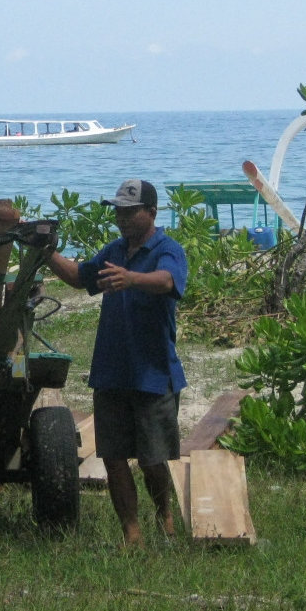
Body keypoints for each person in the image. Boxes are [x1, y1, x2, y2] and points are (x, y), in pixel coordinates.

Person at [46, 179, 187, 545]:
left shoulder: (168, 249)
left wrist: (131, 278)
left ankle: (165, 518)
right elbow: (79, 277)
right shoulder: (114, 250)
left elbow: (167, 281)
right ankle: (132, 534)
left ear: (152, 212)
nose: (121, 218)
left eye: (130, 211)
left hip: (153, 372)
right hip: (110, 370)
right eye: (118, 212)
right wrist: (46, 253)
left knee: (153, 458)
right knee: (113, 457)